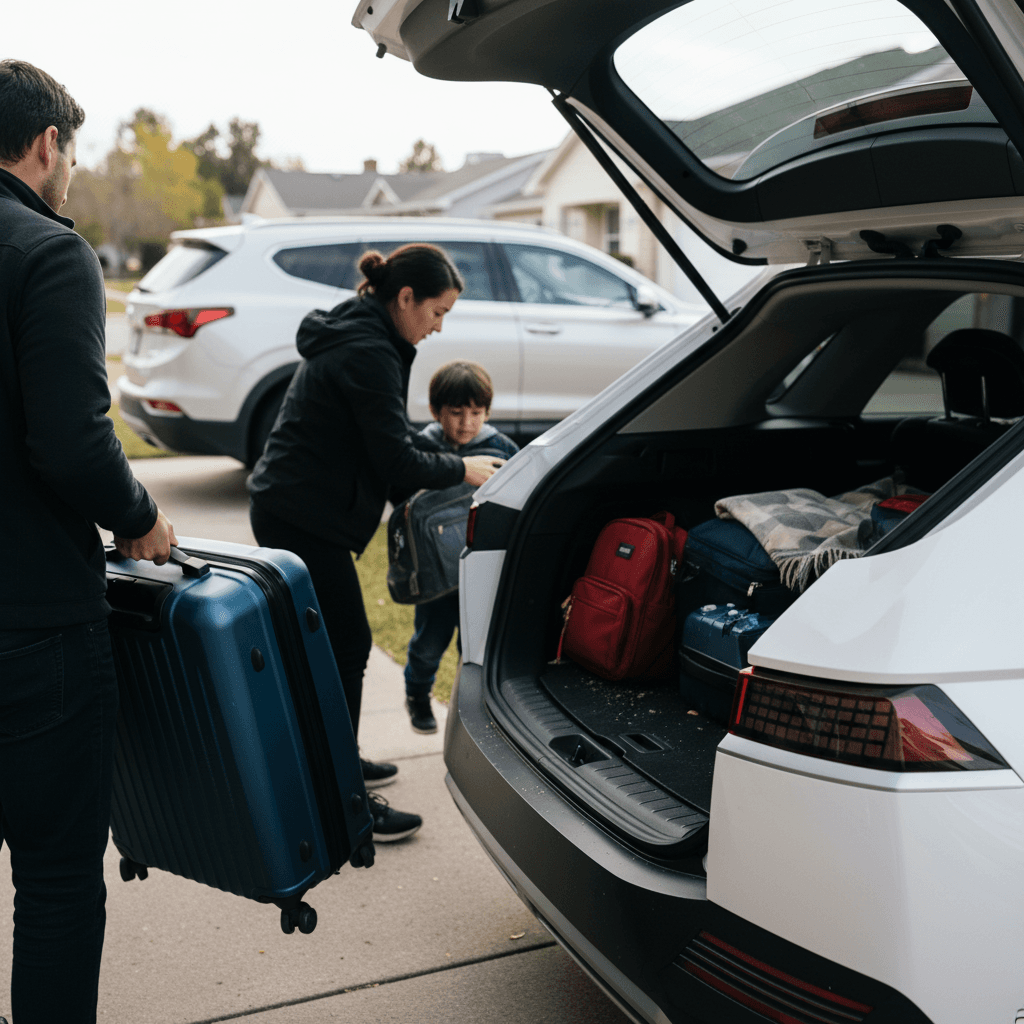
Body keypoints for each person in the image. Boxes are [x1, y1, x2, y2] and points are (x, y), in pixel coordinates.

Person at [0, 60, 176, 1024]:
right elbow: (71, 441)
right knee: (58, 880)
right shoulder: (47, 252)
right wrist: (141, 515)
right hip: (29, 629)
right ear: (47, 144)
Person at [248, 244, 504, 842]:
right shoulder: (370, 349)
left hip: (295, 508)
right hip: (301, 517)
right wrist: (462, 470)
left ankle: (337, 761)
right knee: (346, 644)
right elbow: (392, 453)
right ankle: (343, 800)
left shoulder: (372, 333)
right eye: (436, 311)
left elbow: (376, 447)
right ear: (405, 298)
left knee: (329, 649)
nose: (440, 326)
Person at [403, 361, 519, 734]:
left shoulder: (500, 448)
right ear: (437, 412)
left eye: (476, 412)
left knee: (472, 650)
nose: (467, 422)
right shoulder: (423, 450)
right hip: (435, 573)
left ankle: (465, 710)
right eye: (456, 412)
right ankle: (418, 695)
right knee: (427, 644)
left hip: (480, 570)